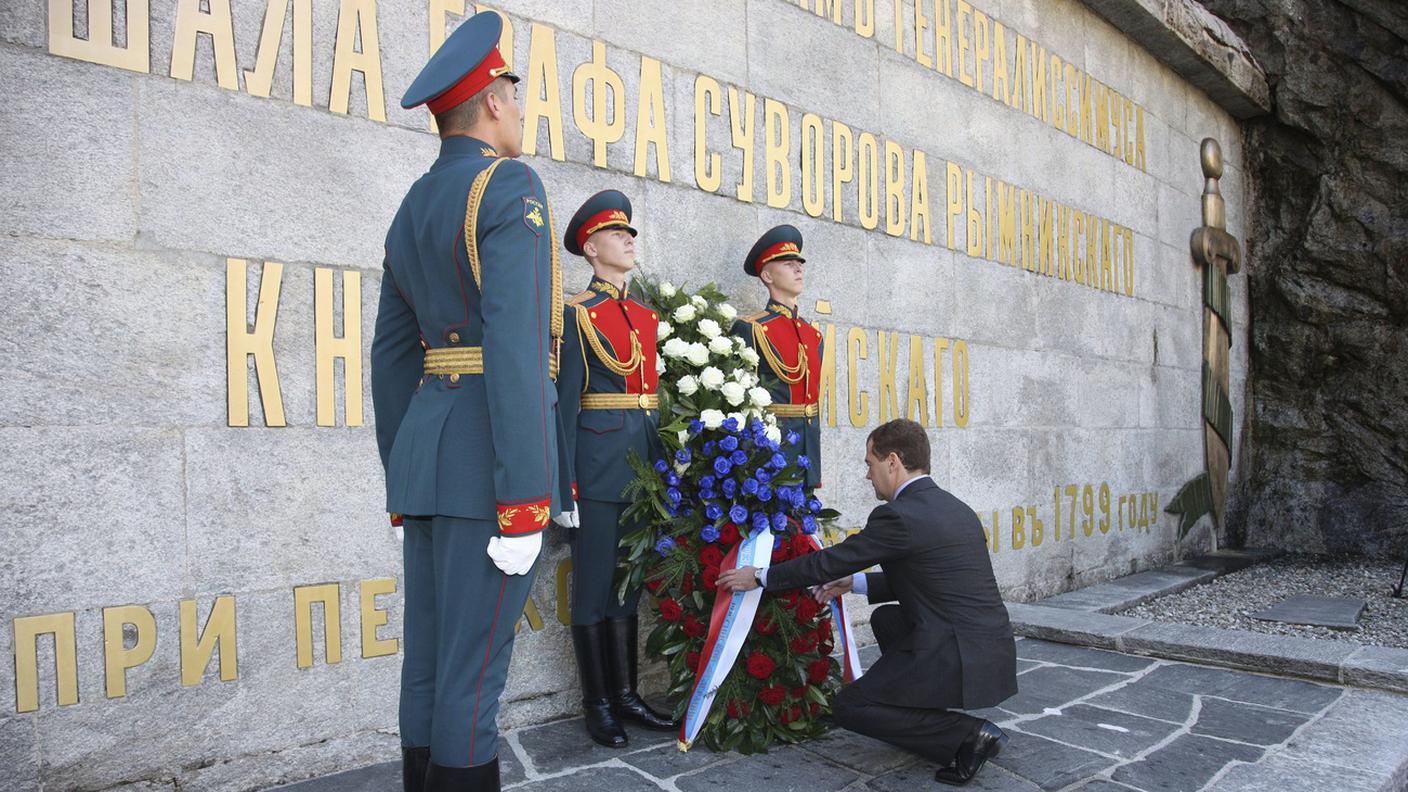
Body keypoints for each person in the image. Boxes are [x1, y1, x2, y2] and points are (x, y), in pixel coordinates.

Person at [371, 11, 564, 791]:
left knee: (429, 663)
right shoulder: (507, 183)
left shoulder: (413, 205)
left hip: (428, 460)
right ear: (491, 100)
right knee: (475, 674)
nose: (519, 110)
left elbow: (392, 358)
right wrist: (525, 498)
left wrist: (401, 474)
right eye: (514, 94)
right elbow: (516, 349)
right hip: (491, 467)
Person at [717, 419, 1018, 786]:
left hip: (957, 650)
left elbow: (829, 561)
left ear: (892, 462)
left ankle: (969, 735)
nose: (867, 475)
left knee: (851, 706)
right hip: (990, 647)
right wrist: (854, 583)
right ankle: (921, 714)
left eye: (869, 463)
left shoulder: (899, 514)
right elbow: (929, 578)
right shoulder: (955, 508)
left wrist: (761, 577)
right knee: (889, 620)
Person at [555, 190, 677, 747]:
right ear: (590, 247)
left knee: (627, 588)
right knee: (593, 592)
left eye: (630, 234)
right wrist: (565, 485)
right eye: (617, 234)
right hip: (597, 472)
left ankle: (627, 695)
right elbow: (563, 405)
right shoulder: (578, 315)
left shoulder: (646, 317)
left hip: (642, 470)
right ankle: (597, 702)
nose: (629, 241)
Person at [731, 224, 823, 491]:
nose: (798, 269)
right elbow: (744, 402)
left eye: (799, 263)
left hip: (806, 453)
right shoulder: (751, 328)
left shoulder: (812, 334)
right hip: (771, 454)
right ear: (768, 275)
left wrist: (814, 463)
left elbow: (811, 403)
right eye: (788, 263)